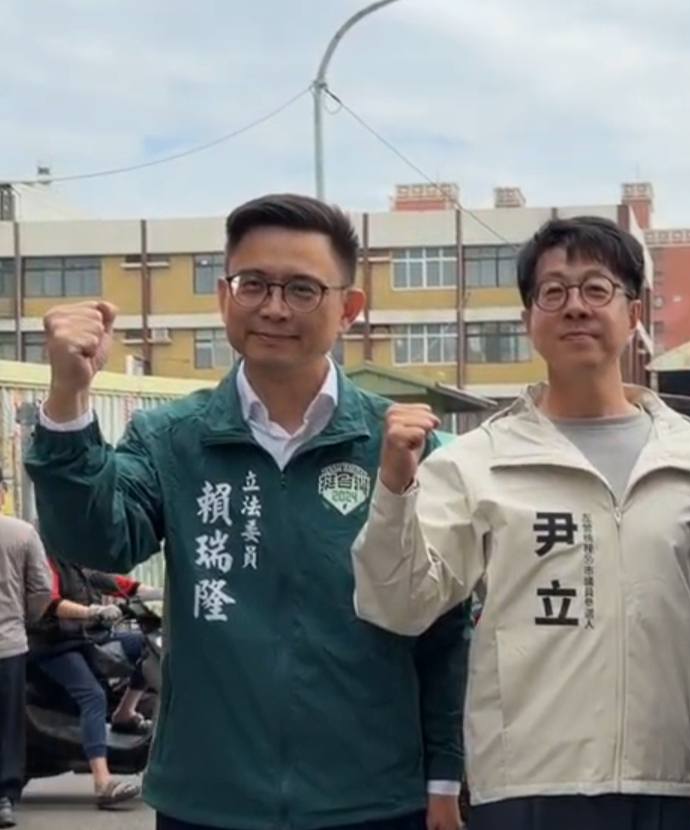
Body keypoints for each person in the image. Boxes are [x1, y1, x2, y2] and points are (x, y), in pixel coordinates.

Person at [25, 193, 469, 830]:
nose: (274, 307)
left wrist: (445, 776)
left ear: (349, 308)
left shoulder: (403, 446)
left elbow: (448, 629)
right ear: (224, 296)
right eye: (253, 283)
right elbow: (95, 539)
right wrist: (69, 397)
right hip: (208, 798)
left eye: (303, 289)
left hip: (372, 799)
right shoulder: (172, 439)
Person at [353, 216, 690, 830]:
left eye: (596, 289)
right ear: (529, 319)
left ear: (633, 313)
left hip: (663, 780)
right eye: (553, 292)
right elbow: (397, 605)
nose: (575, 307)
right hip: (526, 785)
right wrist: (396, 489)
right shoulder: (478, 460)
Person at [28, 557, 162, 808]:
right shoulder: (47, 561)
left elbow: (122, 585)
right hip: (53, 645)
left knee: (144, 646)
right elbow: (51, 601)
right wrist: (92, 612)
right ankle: (102, 782)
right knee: (93, 695)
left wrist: (158, 594)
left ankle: (124, 713)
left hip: (84, 639)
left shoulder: (80, 562)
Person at [0, 481, 52, 828]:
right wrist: (26, 619)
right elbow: (42, 588)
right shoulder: (22, 533)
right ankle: (4, 797)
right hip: (8, 643)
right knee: (8, 722)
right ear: (2, 493)